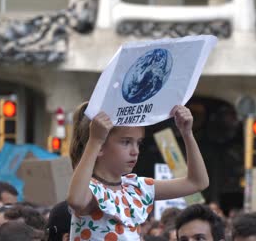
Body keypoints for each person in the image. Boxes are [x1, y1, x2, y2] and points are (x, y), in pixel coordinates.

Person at [66, 102, 209, 240]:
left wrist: (187, 133)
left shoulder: (137, 187)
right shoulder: (89, 189)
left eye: (138, 143)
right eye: (126, 142)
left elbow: (197, 182)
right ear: (100, 147)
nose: (135, 151)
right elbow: (76, 200)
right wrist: (94, 141)